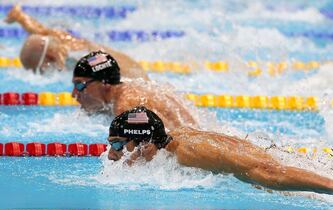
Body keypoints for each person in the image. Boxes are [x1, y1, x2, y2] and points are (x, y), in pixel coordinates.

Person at [106, 106, 333, 200]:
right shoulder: (170, 142)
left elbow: (267, 172)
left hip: (285, 183)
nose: (112, 155)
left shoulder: (190, 152)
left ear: (143, 142)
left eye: (118, 146)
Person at [4, 4, 148, 79]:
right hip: (132, 69)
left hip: (132, 77)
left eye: (42, 69)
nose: (43, 73)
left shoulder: (76, 56)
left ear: (49, 57)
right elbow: (40, 33)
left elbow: (110, 74)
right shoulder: (57, 40)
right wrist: (21, 18)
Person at [71, 51, 198, 129]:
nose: (74, 94)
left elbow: (162, 142)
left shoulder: (125, 107)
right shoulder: (129, 87)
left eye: (79, 85)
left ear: (105, 83)